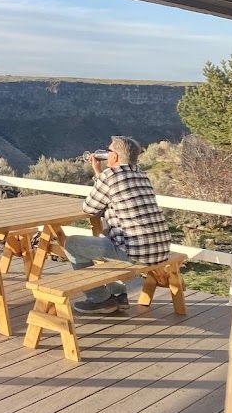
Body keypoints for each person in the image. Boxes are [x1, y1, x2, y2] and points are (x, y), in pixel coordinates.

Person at [63, 135, 171, 315]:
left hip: (134, 252)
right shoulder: (141, 175)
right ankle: (119, 296)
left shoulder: (111, 175)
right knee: (108, 234)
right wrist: (98, 172)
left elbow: (90, 208)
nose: (106, 153)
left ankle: (100, 299)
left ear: (115, 157)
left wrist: (100, 174)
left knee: (72, 244)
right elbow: (114, 192)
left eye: (109, 150)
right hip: (159, 249)